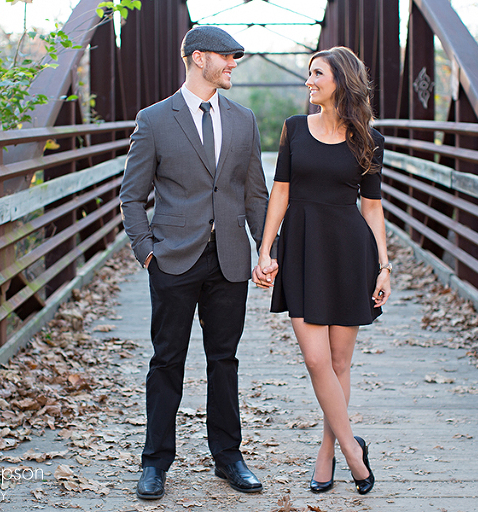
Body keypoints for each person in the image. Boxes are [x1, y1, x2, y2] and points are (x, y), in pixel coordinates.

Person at [119, 25, 272, 500]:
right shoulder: (154, 120)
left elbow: (255, 194)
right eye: (227, 57)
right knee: (167, 361)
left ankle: (228, 458)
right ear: (198, 57)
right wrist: (147, 252)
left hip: (229, 260)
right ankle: (155, 462)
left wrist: (266, 250)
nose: (233, 65)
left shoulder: (244, 120)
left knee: (224, 361)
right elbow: (131, 197)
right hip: (172, 259)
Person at [252, 46, 391, 495]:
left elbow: (372, 207)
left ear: (340, 81)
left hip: (350, 251)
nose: (308, 81)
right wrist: (265, 249)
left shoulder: (368, 138)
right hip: (302, 248)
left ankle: (328, 452)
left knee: (339, 362)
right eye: (309, 73)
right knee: (316, 360)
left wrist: (384, 266)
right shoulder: (294, 128)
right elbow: (280, 192)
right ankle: (354, 450)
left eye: (317, 74)